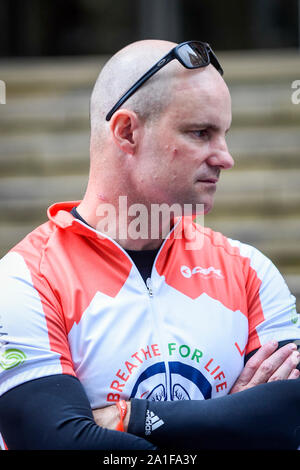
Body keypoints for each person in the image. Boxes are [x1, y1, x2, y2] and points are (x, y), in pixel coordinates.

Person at [0, 39, 300, 451]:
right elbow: (57, 441)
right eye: (201, 133)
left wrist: (127, 418)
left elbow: (291, 418)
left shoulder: (249, 269)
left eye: (224, 134)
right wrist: (230, 423)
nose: (225, 157)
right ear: (126, 131)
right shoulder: (23, 280)